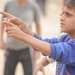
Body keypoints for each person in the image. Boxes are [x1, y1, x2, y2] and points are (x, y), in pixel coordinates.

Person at [0, 0, 75, 75]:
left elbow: (55, 50)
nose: (62, 18)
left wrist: (23, 36)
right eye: (62, 13)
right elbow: (46, 43)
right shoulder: (65, 38)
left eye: (68, 14)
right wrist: (25, 30)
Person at [0, 0, 41, 75]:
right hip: (10, 47)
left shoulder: (33, 6)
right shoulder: (9, 4)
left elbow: (38, 25)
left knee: (30, 72)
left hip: (26, 47)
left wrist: (38, 48)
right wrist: (1, 40)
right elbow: (2, 22)